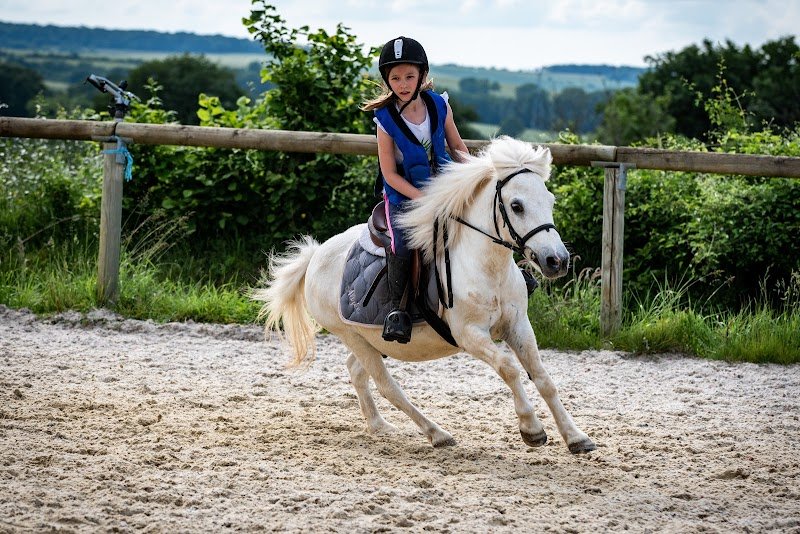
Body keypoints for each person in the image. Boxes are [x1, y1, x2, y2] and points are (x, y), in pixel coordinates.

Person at [361, 36, 469, 344]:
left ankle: (512, 279)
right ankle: (399, 311)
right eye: (395, 78)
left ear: (421, 75)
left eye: (409, 76)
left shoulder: (439, 104)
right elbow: (389, 174)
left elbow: (458, 147)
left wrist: (477, 177)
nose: (403, 83)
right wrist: (424, 199)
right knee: (404, 244)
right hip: (404, 197)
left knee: (485, 218)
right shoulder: (384, 120)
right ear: (387, 80)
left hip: (445, 188)